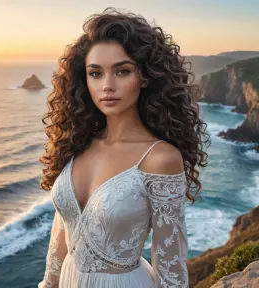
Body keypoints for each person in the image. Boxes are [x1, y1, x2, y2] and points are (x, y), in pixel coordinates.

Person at [38, 7, 210, 288]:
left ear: (144, 77)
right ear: (85, 80)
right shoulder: (75, 144)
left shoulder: (160, 158)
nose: (107, 85)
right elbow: (61, 234)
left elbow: (170, 263)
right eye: (96, 73)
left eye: (122, 71)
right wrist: (49, 283)